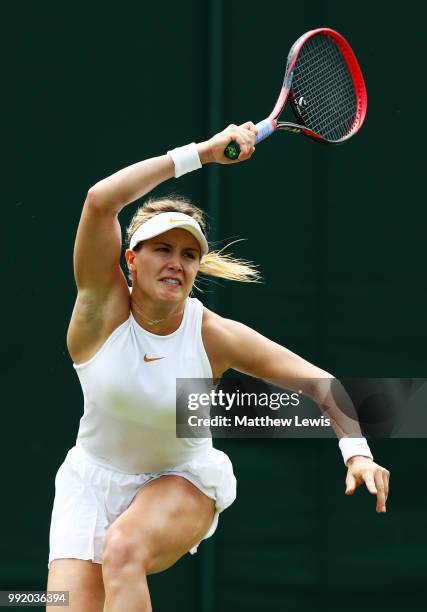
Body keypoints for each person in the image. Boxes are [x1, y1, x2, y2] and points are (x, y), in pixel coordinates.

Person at [46, 122, 390, 612]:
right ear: (130, 259)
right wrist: (202, 154)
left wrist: (356, 451)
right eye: (162, 249)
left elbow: (323, 386)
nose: (176, 263)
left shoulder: (213, 335)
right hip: (88, 483)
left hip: (181, 478)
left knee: (124, 550)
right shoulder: (100, 312)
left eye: (189, 255)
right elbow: (100, 199)